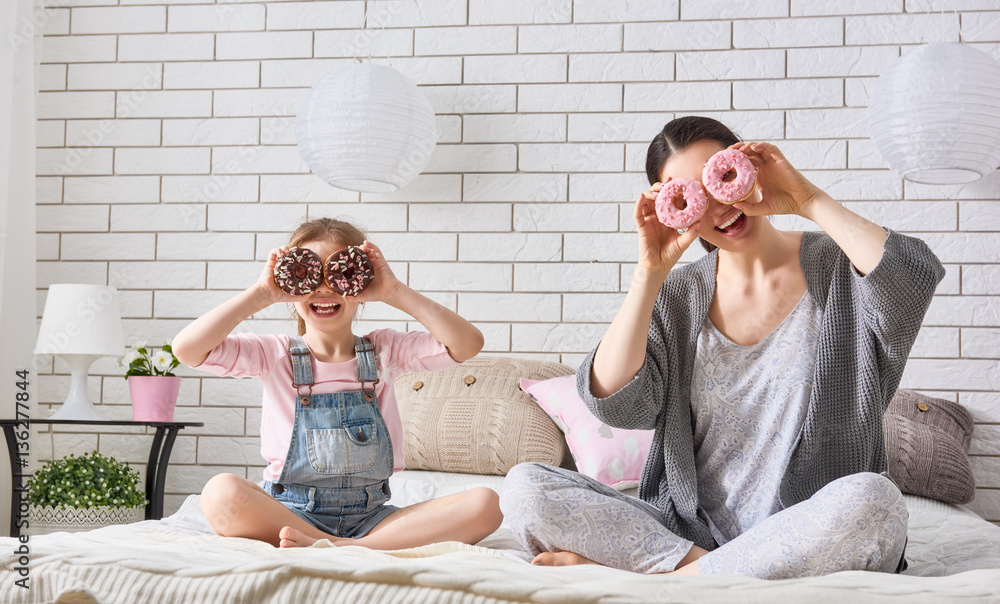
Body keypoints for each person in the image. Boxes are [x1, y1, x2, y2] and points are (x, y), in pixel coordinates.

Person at [499, 116, 944, 579]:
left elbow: (913, 278)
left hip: (811, 528)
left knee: (874, 502)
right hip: (690, 532)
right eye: (691, 196)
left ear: (748, 168)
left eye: (722, 176)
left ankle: (674, 580)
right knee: (524, 488)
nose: (717, 208)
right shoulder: (677, 296)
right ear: (673, 208)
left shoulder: (842, 269)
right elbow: (615, 403)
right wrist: (649, 274)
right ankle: (712, 573)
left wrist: (807, 200)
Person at [173, 217, 500, 549]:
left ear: (361, 286)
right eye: (308, 275)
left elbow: (467, 343)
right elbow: (187, 349)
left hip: (372, 518)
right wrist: (261, 294)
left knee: (487, 504)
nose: (324, 288)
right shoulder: (274, 354)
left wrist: (393, 291)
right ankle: (347, 546)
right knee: (219, 493)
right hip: (289, 513)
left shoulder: (386, 351)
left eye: (341, 276)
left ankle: (339, 548)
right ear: (290, 285)